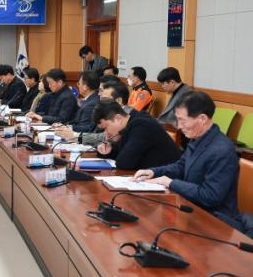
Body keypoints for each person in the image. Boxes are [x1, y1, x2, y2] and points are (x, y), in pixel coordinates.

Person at [133, 91, 239, 223]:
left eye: (182, 120)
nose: (178, 126)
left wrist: (170, 183)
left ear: (202, 119)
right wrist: (154, 172)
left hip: (215, 220)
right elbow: (181, 166)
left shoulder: (222, 150)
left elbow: (210, 196)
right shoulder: (198, 137)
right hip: (192, 208)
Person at [94, 100, 182, 170]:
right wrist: (106, 152)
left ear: (118, 118)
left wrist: (114, 151)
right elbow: (118, 152)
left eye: (106, 127)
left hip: (168, 179)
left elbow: (124, 162)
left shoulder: (142, 125)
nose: (105, 133)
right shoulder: (127, 124)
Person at [56, 81, 131, 145]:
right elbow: (97, 133)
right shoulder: (108, 113)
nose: (100, 100)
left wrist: (75, 135)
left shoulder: (128, 117)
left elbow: (104, 137)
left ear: (119, 101)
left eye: (104, 99)